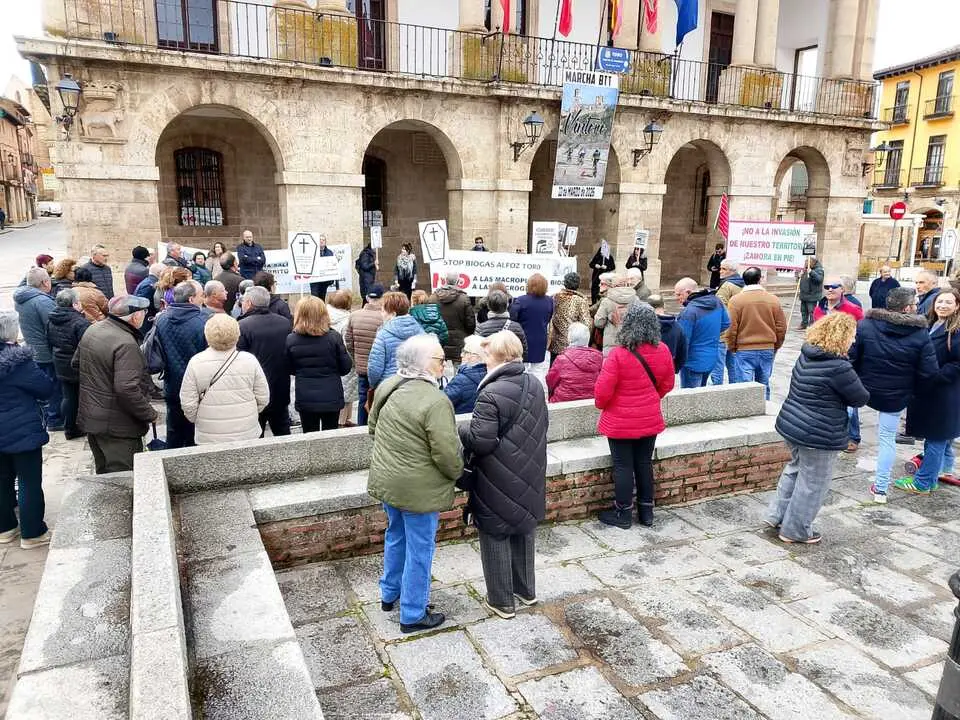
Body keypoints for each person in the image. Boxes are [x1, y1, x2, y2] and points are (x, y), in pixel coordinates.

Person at [367, 335, 462, 633]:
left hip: (389, 481)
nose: (443, 364)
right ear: (423, 364)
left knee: (395, 536)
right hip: (418, 489)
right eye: (439, 360)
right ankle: (412, 613)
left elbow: (372, 428)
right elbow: (447, 453)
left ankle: (389, 593)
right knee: (420, 549)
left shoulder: (389, 385)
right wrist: (458, 473)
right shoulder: (435, 400)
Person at [460, 330, 548, 619]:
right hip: (530, 470)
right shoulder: (534, 383)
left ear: (493, 357)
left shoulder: (491, 393)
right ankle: (526, 591)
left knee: (495, 532)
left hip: (497, 475)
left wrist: (461, 429)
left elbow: (481, 441)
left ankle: (501, 601)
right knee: (523, 527)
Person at [769, 313, 869, 543]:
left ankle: (776, 515)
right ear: (841, 337)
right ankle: (795, 530)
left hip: (793, 424)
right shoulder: (839, 367)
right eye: (852, 336)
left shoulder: (807, 354)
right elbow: (860, 398)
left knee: (794, 470)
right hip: (819, 432)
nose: (854, 341)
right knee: (814, 483)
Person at [850, 287, 939, 503]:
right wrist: (914, 392)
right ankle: (880, 489)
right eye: (915, 302)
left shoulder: (866, 324)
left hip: (862, 388)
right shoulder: (920, 333)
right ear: (907, 308)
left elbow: (852, 357)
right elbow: (929, 372)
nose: (917, 306)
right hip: (896, 395)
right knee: (887, 439)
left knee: (837, 426)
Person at [595, 303, 676, 528]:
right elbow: (667, 384)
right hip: (649, 418)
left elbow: (602, 393)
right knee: (643, 463)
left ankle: (623, 513)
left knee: (623, 466)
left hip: (620, 421)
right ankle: (646, 512)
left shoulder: (618, 355)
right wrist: (650, 399)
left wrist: (604, 405)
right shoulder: (663, 350)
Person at [74, 295, 157, 473]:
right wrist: (150, 414)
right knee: (122, 480)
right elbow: (127, 389)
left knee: (104, 475)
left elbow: (76, 364)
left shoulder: (93, 329)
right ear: (135, 317)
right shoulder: (126, 344)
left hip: (93, 418)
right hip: (118, 427)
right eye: (143, 312)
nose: (144, 315)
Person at [0, 310, 57, 549]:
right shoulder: (18, 362)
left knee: (1, 481)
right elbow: (45, 388)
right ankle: (33, 533)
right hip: (22, 431)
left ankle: (5, 529)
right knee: (28, 481)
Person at [898, 289, 960, 494]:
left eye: (948, 302)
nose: (942, 305)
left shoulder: (956, 330)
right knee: (939, 436)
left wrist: (935, 376)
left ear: (957, 306)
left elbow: (957, 363)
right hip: (928, 390)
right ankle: (940, 472)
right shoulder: (931, 324)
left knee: (936, 437)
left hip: (943, 391)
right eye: (939, 301)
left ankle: (923, 482)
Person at [180, 314, 270, 445]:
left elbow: (188, 403)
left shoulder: (196, 362)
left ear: (207, 334)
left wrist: (199, 419)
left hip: (209, 436)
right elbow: (263, 397)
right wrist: (249, 413)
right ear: (237, 334)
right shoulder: (249, 360)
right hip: (246, 432)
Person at [286, 296, 353, 432]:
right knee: (331, 437)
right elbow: (345, 367)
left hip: (306, 396)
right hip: (331, 395)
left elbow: (289, 368)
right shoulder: (334, 338)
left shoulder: (291, 339)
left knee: (310, 437)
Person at [154, 281, 208, 448]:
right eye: (201, 296)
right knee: (195, 434)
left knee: (174, 432)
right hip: (197, 388)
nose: (203, 299)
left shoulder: (161, 319)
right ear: (191, 299)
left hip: (172, 384)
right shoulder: (203, 322)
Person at [237, 286, 293, 437]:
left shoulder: (242, 326)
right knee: (283, 433)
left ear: (248, 303)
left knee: (256, 436)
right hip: (280, 388)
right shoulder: (284, 323)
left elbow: (238, 359)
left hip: (254, 391)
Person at [725, 267, 786, 399]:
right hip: (767, 348)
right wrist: (776, 345)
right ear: (760, 279)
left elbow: (731, 328)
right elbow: (781, 327)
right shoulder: (773, 299)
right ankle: (765, 412)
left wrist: (732, 346)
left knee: (745, 387)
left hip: (744, 349)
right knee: (763, 385)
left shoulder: (736, 300)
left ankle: (747, 413)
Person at [13, 268, 63, 430]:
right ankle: (55, 420)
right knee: (53, 387)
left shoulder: (21, 297)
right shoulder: (42, 302)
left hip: (33, 349)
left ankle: (46, 417)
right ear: (45, 283)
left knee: (42, 387)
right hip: (46, 352)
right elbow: (54, 327)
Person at [46, 289, 90, 440]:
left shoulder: (51, 319)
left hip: (60, 363)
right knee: (77, 398)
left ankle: (69, 427)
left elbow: (49, 341)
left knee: (68, 396)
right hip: (77, 365)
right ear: (75, 303)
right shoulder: (80, 322)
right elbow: (87, 346)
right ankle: (74, 428)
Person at [674, 277, 729, 389]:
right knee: (701, 393)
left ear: (688, 292)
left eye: (679, 294)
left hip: (692, 362)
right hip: (711, 358)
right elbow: (726, 323)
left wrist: (676, 363)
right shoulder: (717, 302)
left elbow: (683, 341)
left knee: (690, 399)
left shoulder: (689, 312)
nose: (677, 298)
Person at [344, 284, 386, 426]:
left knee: (363, 398)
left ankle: (362, 426)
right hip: (381, 367)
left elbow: (348, 341)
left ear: (367, 298)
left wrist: (356, 357)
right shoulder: (384, 318)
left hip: (362, 365)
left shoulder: (354, 316)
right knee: (381, 397)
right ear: (382, 299)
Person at [368, 291, 425, 388]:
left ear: (393, 314)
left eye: (382, 311)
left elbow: (374, 369)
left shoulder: (382, 335)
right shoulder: (421, 332)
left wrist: (374, 386)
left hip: (389, 386)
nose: (381, 314)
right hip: (416, 385)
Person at [510, 273, 554, 386]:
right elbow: (548, 318)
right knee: (538, 371)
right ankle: (537, 392)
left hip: (522, 340)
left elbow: (512, 319)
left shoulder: (520, 301)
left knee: (521, 369)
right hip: (540, 339)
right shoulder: (549, 301)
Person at [546, 323, 602, 402]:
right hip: (591, 401)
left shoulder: (562, 360)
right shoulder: (598, 358)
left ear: (569, 338)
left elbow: (550, 381)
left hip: (563, 402)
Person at [327, 290, 359, 427]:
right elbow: (348, 343)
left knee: (344, 391)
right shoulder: (347, 320)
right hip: (345, 358)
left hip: (330, 358)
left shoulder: (325, 315)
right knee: (346, 392)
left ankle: (346, 419)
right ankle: (342, 421)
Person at [430, 271, 474, 363]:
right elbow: (470, 324)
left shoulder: (433, 298)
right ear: (458, 281)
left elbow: (430, 321)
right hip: (459, 341)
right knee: (458, 371)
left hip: (439, 340)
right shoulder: (464, 299)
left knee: (437, 368)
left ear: (445, 281)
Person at [712, 260, 745, 384]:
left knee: (718, 367)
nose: (720, 271)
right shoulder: (742, 284)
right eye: (721, 268)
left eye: (724, 269)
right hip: (736, 331)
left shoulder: (727, 286)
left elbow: (720, 307)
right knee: (733, 366)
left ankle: (717, 391)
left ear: (732, 271)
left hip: (723, 333)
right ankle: (735, 392)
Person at [548, 272, 592, 359]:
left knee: (555, 369)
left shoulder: (554, 297)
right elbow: (586, 324)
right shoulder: (580, 300)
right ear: (578, 284)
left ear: (564, 283)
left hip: (555, 343)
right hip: (572, 344)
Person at [477, 290, 528, 360]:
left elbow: (478, 352)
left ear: (488, 306)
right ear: (507, 305)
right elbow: (523, 352)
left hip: (489, 367)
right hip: (510, 367)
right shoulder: (516, 327)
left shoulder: (480, 328)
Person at [594, 276, 640, 356]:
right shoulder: (636, 299)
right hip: (631, 343)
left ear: (614, 286)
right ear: (626, 284)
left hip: (611, 345)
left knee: (611, 365)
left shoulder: (607, 301)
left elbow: (598, 323)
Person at [444, 335, 487, 413]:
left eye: (465, 352)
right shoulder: (493, 376)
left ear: (475, 356)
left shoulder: (460, 381)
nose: (461, 355)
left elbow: (440, 403)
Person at [648, 294, 687, 373]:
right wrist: (674, 370)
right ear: (664, 305)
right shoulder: (677, 327)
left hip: (647, 370)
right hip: (667, 370)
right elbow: (682, 354)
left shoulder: (644, 326)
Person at [135, 263, 165, 333]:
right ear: (159, 273)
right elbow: (141, 304)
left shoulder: (150, 281)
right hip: (146, 321)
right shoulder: (150, 284)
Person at [309, 234, 339, 299]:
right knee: (315, 299)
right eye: (320, 240)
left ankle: (321, 309)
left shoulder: (330, 252)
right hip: (315, 281)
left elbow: (332, 265)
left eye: (323, 240)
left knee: (322, 298)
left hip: (324, 281)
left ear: (325, 242)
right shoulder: (313, 252)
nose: (321, 241)